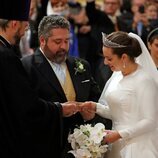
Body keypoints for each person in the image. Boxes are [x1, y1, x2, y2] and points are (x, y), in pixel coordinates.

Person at [21, 14, 112, 157]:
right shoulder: (26, 67)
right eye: (58, 42)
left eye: (67, 41)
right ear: (42, 40)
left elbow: (97, 99)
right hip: (43, 147)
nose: (64, 47)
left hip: (81, 148)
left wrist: (91, 116)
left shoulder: (81, 65)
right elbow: (25, 110)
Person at [0, 0, 79, 157]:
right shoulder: (6, 57)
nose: (24, 32)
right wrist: (59, 109)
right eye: (25, 26)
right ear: (14, 23)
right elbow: (26, 107)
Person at [81, 31, 158, 158]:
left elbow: (151, 121)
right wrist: (96, 107)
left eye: (109, 58)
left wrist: (120, 134)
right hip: (116, 142)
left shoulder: (144, 80)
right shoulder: (117, 74)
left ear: (124, 57)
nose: (105, 62)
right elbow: (120, 112)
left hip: (138, 146)